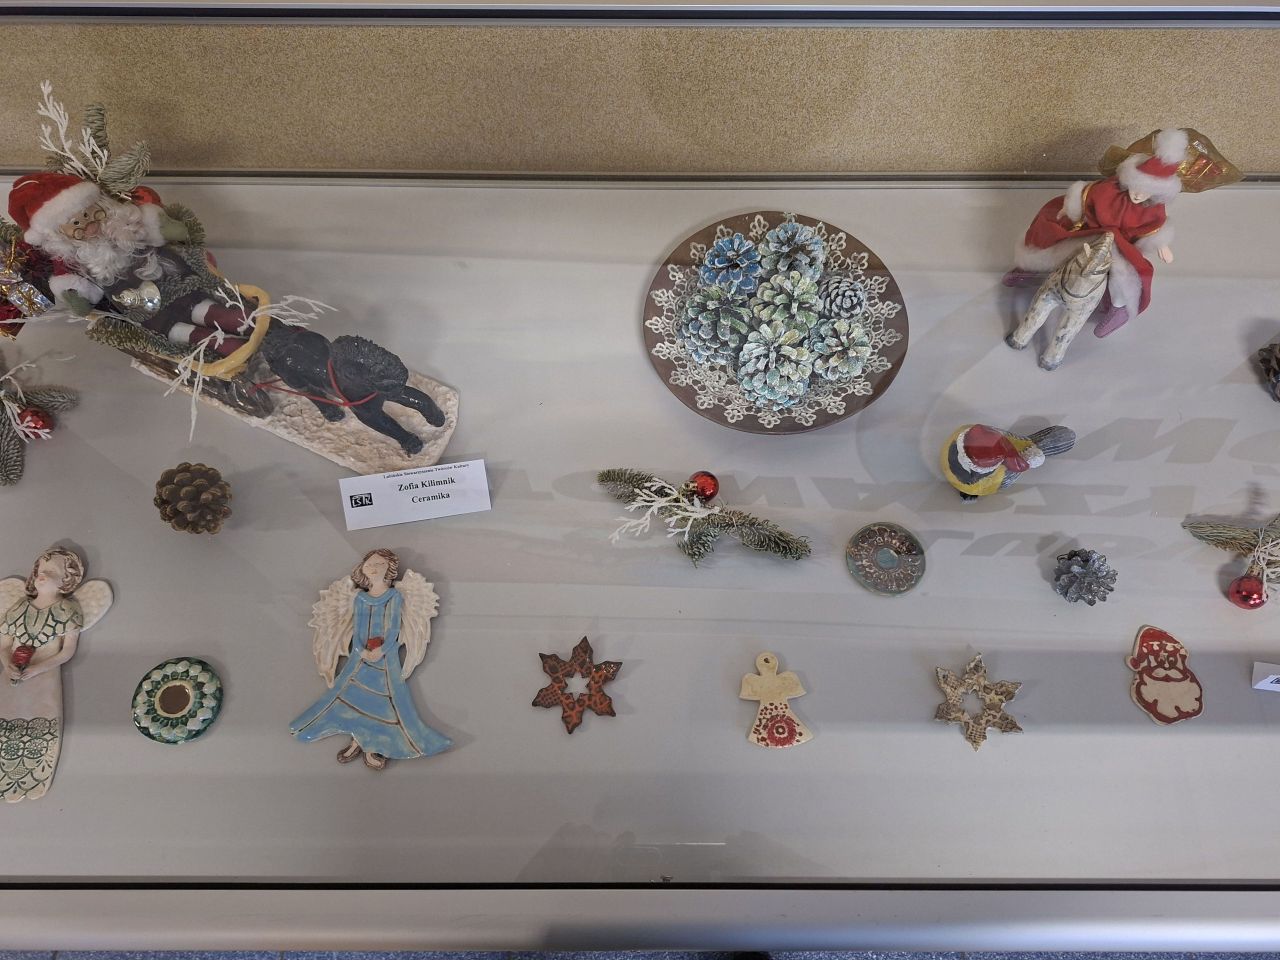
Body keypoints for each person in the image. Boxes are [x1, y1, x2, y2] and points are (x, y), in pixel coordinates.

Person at [1003, 128, 1238, 338]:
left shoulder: (1153, 208)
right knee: (1051, 229)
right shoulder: (1111, 189)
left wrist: (1161, 243)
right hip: (1091, 228)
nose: (1138, 194)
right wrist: (1070, 207)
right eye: (1137, 186)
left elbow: (1155, 226)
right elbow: (1086, 194)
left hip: (1120, 243)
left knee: (1126, 273)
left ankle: (1119, 309)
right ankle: (1030, 267)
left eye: (1146, 191)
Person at [7, 172, 253, 356]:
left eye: (91, 214)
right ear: (59, 236)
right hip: (135, 301)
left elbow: (149, 224)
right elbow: (74, 287)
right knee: (160, 324)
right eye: (77, 225)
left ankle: (224, 317)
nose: (89, 225)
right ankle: (207, 340)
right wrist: (76, 296)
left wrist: (164, 227)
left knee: (190, 297)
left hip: (164, 274)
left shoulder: (124, 223)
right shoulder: (73, 260)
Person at [290, 548, 452, 771]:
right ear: (362, 569)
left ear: (389, 569)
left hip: (386, 659)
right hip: (360, 658)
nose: (374, 568)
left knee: (383, 702)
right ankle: (358, 740)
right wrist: (360, 650)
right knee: (351, 697)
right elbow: (357, 629)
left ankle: (370, 745)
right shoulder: (360, 598)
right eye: (369, 564)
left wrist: (382, 650)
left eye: (380, 564)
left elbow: (394, 627)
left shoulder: (394, 596)